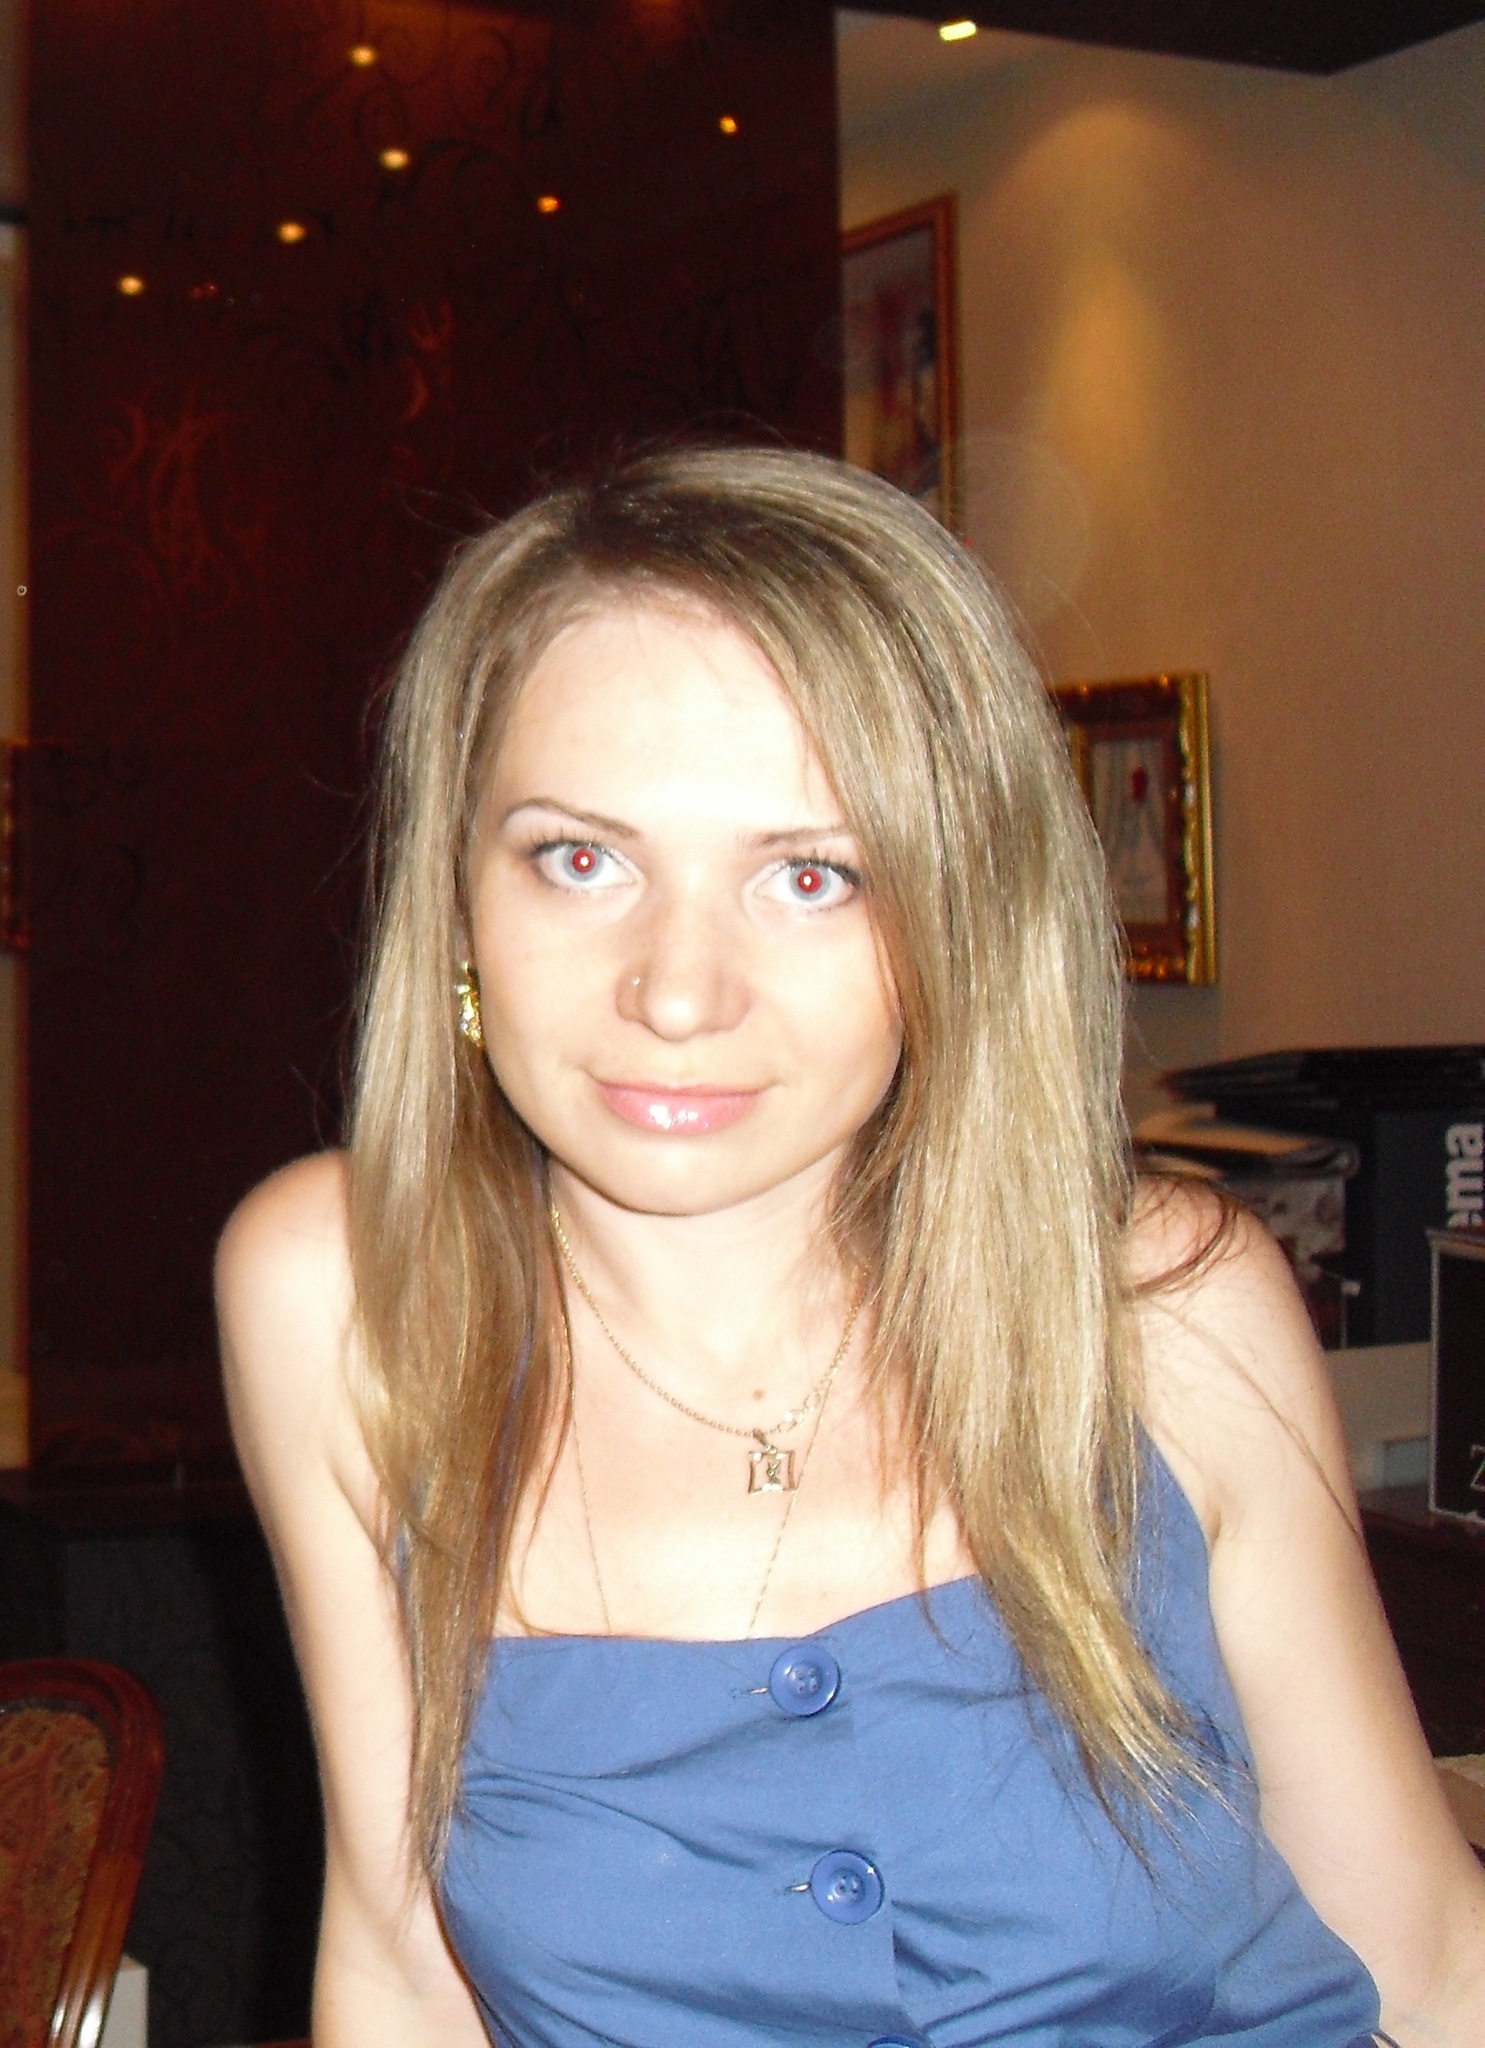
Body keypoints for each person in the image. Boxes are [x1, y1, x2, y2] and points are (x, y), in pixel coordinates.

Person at [216, 445, 1485, 2048]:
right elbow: (404, 1966)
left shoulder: (1157, 1307)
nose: (678, 992)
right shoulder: (340, 1297)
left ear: (953, 918)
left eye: (810, 876)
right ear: (457, 897)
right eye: (581, 859)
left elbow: (1426, 1957)